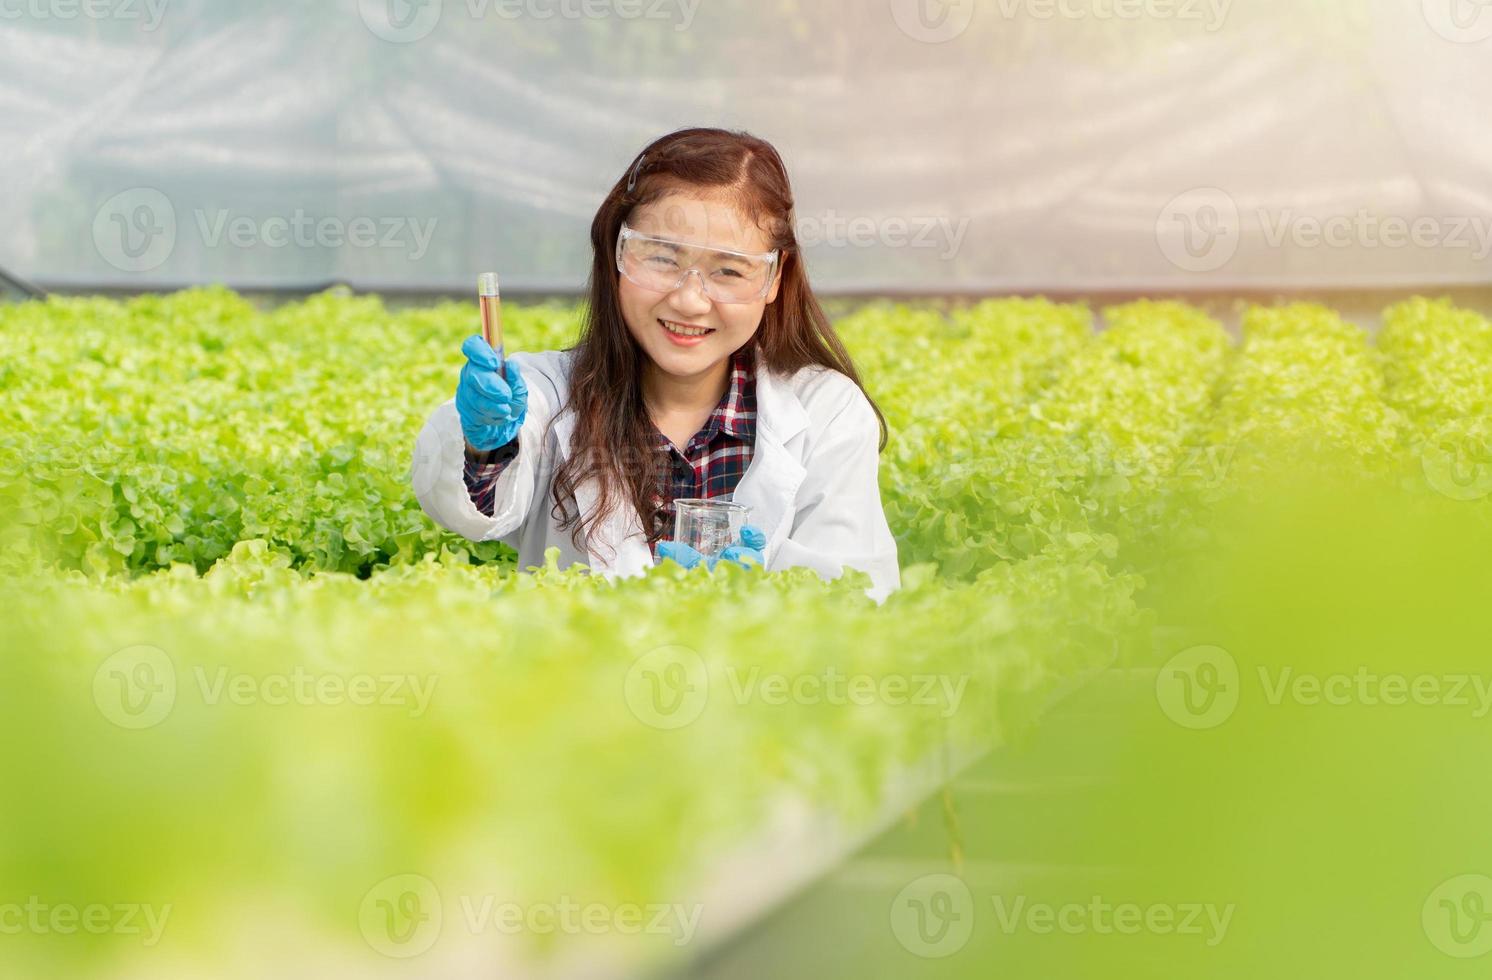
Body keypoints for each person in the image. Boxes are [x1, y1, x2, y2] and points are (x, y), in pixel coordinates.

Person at [411, 127, 899, 603]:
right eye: (661, 258)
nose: (689, 300)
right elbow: (469, 512)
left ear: (774, 279)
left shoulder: (826, 411)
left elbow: (855, 597)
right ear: (616, 254)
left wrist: (756, 604)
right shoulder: (543, 394)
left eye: (728, 270)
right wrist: (484, 447)